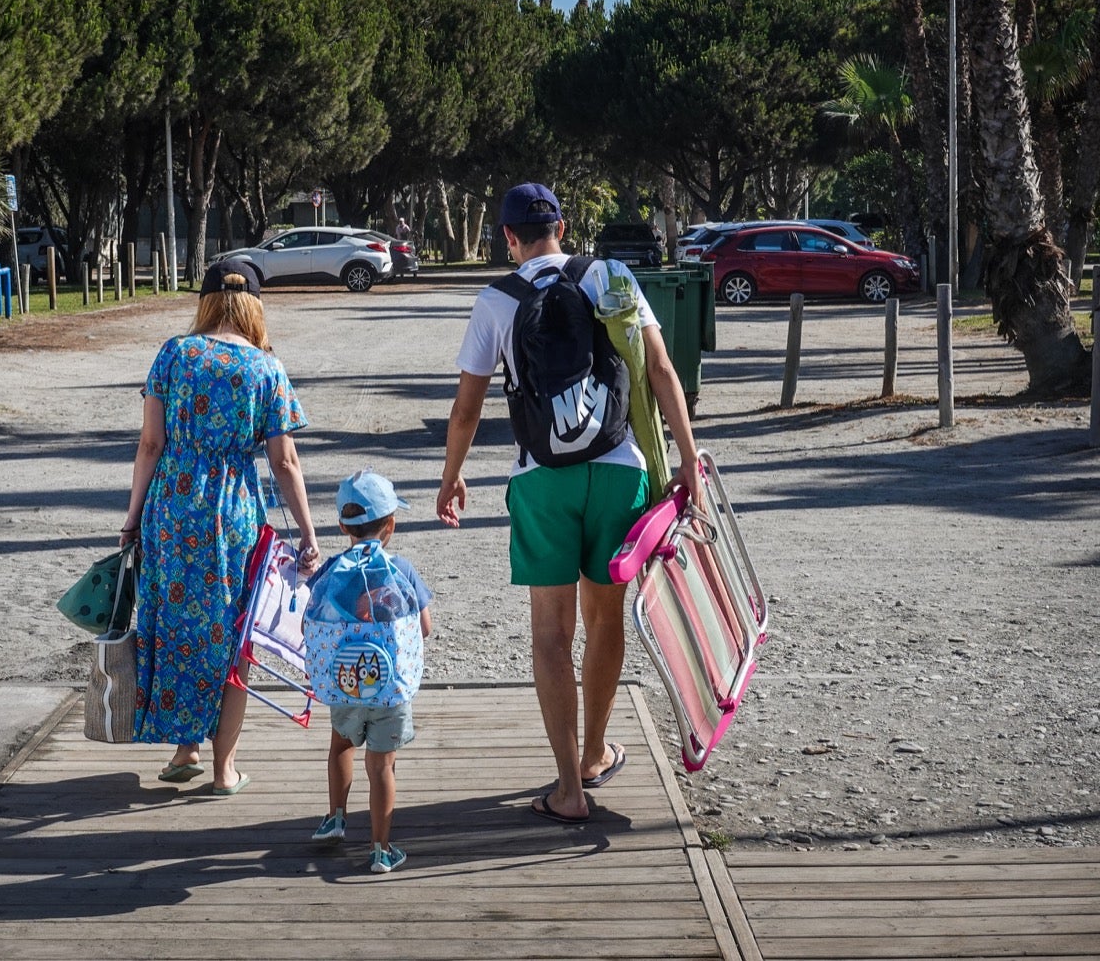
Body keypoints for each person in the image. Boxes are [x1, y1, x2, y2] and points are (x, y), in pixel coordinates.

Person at [436, 182, 701, 824]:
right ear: (563, 224)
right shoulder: (610, 275)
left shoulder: (496, 301)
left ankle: (567, 790)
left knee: (551, 635)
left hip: (541, 479)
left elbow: (469, 406)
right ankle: (592, 755)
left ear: (507, 238)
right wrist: (689, 460)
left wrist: (452, 477)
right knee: (604, 620)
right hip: (618, 471)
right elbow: (662, 370)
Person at [120, 260, 320, 791]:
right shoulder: (265, 369)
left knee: (177, 625)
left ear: (205, 302)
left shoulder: (173, 354)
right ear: (254, 306)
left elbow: (150, 444)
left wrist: (133, 516)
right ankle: (222, 768)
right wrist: (308, 532)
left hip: (172, 509)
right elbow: (285, 462)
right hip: (234, 513)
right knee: (233, 635)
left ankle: (184, 746)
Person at [303, 470, 433, 874]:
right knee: (382, 768)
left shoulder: (332, 572)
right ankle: (381, 849)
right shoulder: (403, 570)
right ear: (390, 524)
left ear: (342, 525)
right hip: (390, 689)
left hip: (346, 685)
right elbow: (424, 626)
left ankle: (336, 818)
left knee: (341, 747)